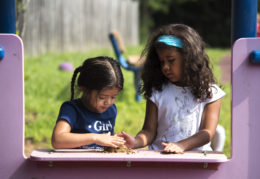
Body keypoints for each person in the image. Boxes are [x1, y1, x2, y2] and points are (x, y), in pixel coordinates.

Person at [119, 24, 225, 153]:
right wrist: (135, 142)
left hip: (196, 160)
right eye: (162, 62)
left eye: (171, 60)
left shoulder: (209, 92)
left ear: (189, 58)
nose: (165, 67)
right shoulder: (157, 91)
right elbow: (149, 131)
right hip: (161, 158)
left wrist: (181, 145)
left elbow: (207, 133)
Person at [52, 56, 125, 149]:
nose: (108, 102)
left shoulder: (111, 110)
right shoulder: (72, 109)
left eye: (113, 97)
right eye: (102, 97)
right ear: (84, 89)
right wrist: (94, 138)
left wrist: (117, 139)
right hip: (77, 162)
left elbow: (104, 139)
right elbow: (57, 140)